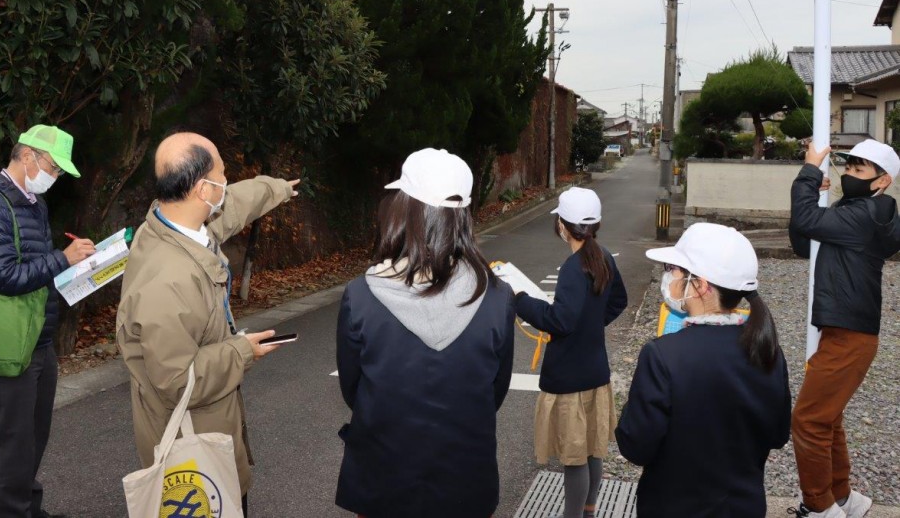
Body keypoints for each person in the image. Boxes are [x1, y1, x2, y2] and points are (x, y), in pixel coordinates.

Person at [116, 132, 299, 517]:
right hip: (193, 448)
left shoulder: (170, 224)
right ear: (202, 189)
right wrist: (242, 350)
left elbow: (235, 207)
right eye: (222, 171)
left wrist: (277, 188)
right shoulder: (168, 281)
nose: (227, 178)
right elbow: (176, 381)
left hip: (208, 425)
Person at [335, 148, 515, 518]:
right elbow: (494, 390)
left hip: (382, 479)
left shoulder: (362, 295)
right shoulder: (498, 297)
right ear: (463, 214)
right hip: (466, 482)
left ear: (403, 210)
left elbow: (354, 389)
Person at [0, 124, 96, 518]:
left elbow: (33, 266)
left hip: (37, 338)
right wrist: (63, 258)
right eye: (53, 168)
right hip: (7, 343)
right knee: (15, 445)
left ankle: (29, 510)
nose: (54, 178)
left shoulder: (31, 202)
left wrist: (78, 262)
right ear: (27, 156)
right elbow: (3, 276)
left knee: (34, 439)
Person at [615, 223, 791, 517]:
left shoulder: (663, 355)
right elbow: (778, 435)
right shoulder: (768, 351)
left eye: (674, 268)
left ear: (702, 285)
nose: (668, 275)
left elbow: (636, 446)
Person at [787, 140, 900, 518]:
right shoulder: (856, 211)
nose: (849, 173)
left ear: (882, 181)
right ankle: (844, 499)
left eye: (860, 169)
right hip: (844, 330)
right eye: (848, 166)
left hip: (849, 334)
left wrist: (807, 173)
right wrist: (813, 199)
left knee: (809, 420)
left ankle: (820, 507)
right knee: (827, 418)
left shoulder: (866, 214)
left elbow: (806, 223)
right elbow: (804, 241)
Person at [512, 187, 627, 518]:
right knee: (592, 451)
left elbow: (559, 320)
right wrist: (591, 324)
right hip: (595, 372)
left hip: (570, 379)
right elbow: (618, 301)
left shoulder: (572, 268)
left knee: (575, 457)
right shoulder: (602, 256)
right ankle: (589, 510)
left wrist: (520, 300)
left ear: (562, 225)